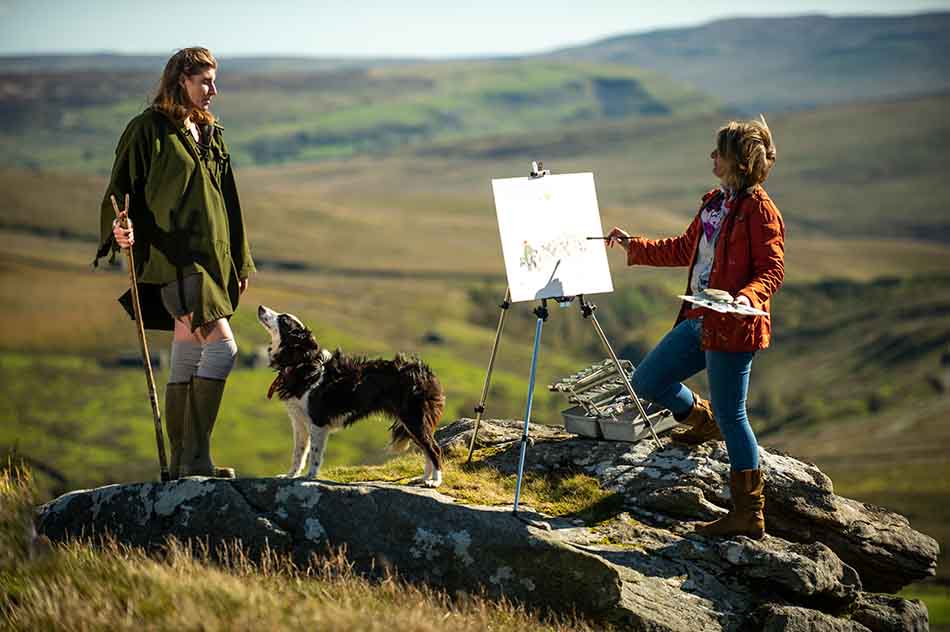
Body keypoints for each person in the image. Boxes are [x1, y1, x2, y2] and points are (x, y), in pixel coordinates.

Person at [607, 116, 785, 539]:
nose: (711, 157)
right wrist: (635, 245)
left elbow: (772, 269)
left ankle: (748, 512)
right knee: (647, 381)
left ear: (737, 162)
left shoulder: (761, 212)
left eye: (718, 152)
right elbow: (686, 248)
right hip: (698, 319)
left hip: (733, 327)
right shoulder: (713, 201)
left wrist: (746, 298)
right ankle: (701, 421)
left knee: (734, 413)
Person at [95, 47, 255, 479]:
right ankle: (197, 456)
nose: (213, 90)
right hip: (173, 261)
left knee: (187, 348)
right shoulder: (148, 130)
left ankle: (184, 460)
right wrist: (119, 229)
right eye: (205, 81)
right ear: (180, 80)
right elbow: (119, 191)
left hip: (211, 259)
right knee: (222, 348)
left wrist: (239, 261)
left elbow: (230, 202)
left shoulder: (210, 132)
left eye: (214, 81)